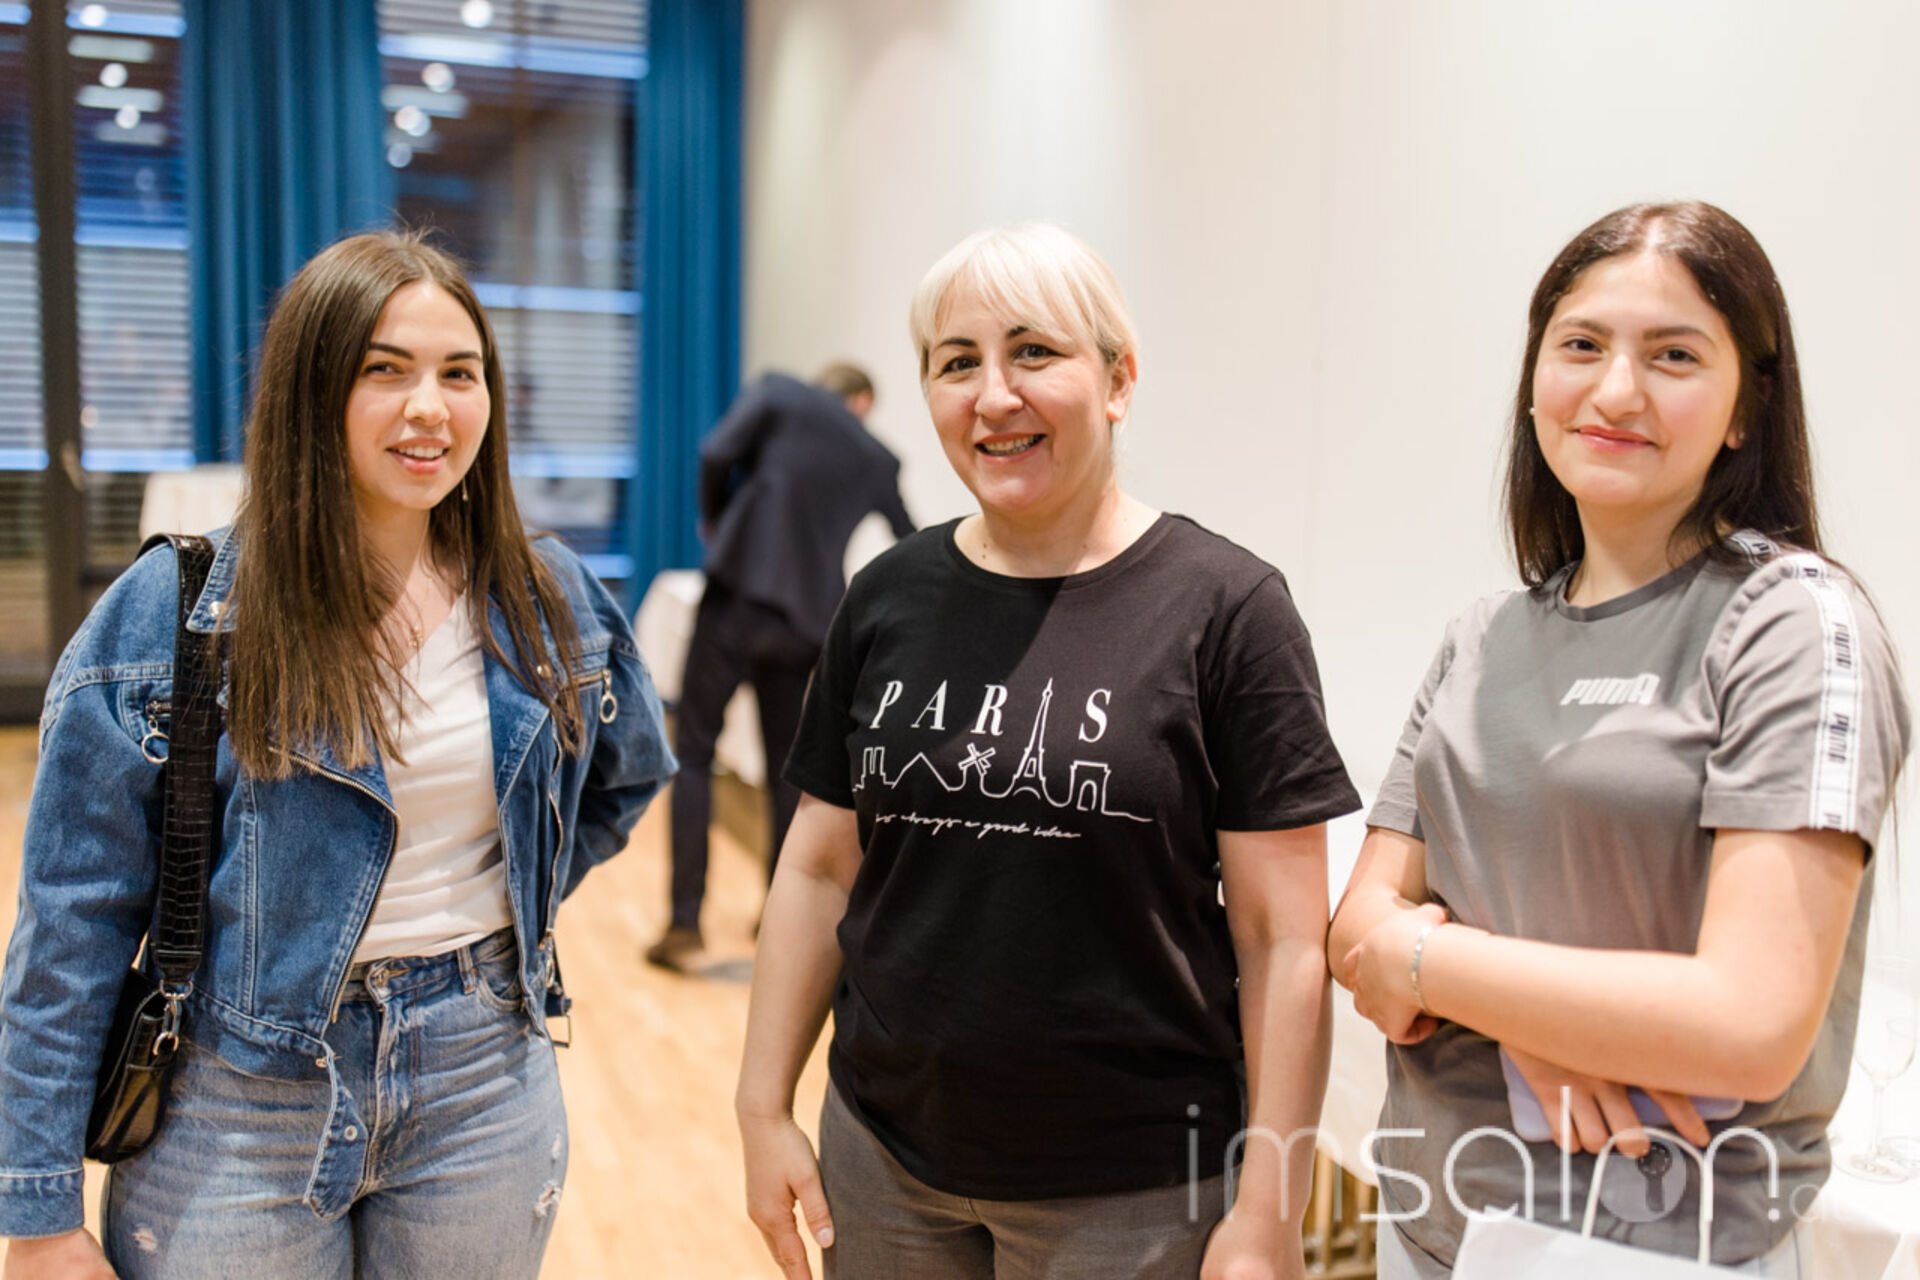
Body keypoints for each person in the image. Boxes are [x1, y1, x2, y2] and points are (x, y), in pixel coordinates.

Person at [0, 231, 675, 1278]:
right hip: (236, 1093)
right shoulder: (178, 609)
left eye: (460, 373)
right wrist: (39, 1213)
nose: (430, 407)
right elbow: (72, 921)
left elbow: (622, 774)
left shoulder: (546, 594)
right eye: (385, 369)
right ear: (312, 391)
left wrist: (501, 914)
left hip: (482, 1081)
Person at [736, 223, 1361, 1279]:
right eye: (957, 362)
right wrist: (762, 1104)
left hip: (1135, 1191)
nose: (994, 396)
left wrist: (1272, 1207)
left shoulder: (1227, 610)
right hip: (882, 1159)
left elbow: (1283, 939)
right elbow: (820, 865)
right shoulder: (886, 596)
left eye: (1034, 352)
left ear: (1118, 380)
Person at [1328, 201, 1911, 1276]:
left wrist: (1433, 960)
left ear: (1746, 409)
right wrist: (1528, 1025)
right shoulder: (1482, 637)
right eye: (1582, 345)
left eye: (1674, 355)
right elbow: (1354, 928)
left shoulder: (1793, 624)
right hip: (1430, 1221)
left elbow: (1748, 1025)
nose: (1616, 391)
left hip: (1653, 1245)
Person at [646, 364, 913, 973]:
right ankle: (777, 920)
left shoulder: (780, 395)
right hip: (808, 624)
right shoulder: (877, 456)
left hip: (736, 598)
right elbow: (910, 538)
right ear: (863, 402)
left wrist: (716, 520)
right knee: (788, 775)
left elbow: (715, 451)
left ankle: (684, 927)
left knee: (694, 754)